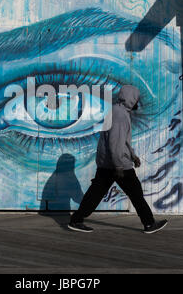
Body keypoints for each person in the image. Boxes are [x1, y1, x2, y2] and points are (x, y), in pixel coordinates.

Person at [68, 85, 168, 234]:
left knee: (95, 193)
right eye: (136, 99)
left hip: (108, 164)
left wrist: (133, 156)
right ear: (131, 99)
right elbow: (115, 143)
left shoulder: (117, 111)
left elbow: (123, 140)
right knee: (135, 193)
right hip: (117, 165)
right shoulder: (120, 115)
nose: (137, 102)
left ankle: (76, 220)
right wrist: (119, 166)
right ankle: (149, 223)